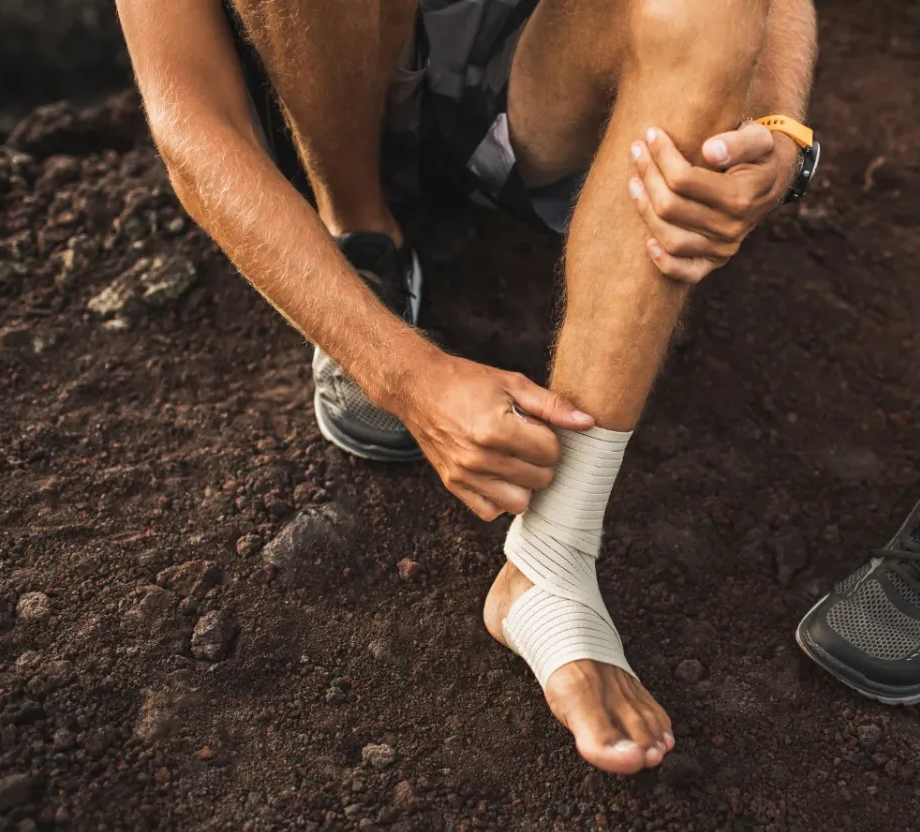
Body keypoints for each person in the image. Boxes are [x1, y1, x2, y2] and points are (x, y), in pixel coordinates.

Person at [116, 0, 818, 775]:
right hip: (321, 102)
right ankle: (359, 232)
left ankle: (552, 556)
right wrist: (405, 374)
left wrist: (776, 127)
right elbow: (193, 122)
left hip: (527, 96)